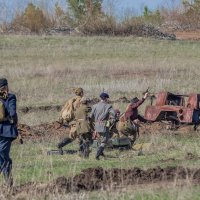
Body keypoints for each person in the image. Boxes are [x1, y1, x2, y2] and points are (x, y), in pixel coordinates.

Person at [0, 78, 18, 187]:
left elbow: (12, 114)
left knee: (2, 154)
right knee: (3, 156)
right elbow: (12, 113)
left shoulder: (10, 97)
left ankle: (8, 183)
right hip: (6, 131)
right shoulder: (10, 97)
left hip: (6, 132)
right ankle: (9, 183)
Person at [57, 88, 84, 154]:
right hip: (77, 121)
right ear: (81, 93)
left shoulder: (71, 100)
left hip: (71, 121)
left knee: (79, 136)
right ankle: (60, 145)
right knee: (74, 136)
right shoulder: (80, 100)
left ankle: (82, 151)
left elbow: (63, 109)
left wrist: (61, 120)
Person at [90, 92, 116, 160]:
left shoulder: (94, 106)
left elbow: (91, 117)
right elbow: (114, 115)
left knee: (99, 141)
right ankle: (97, 155)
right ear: (105, 98)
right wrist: (110, 122)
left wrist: (94, 125)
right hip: (104, 125)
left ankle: (101, 153)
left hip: (96, 125)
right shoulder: (108, 106)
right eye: (107, 98)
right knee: (104, 141)